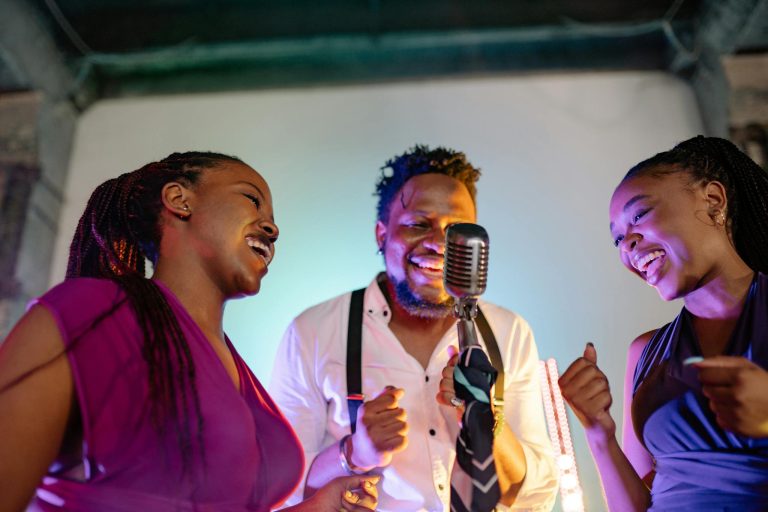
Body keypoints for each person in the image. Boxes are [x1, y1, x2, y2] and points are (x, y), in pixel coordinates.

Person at [0, 152, 378, 512]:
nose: (272, 228)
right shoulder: (91, 313)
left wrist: (318, 506)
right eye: (251, 199)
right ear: (179, 200)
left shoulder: (237, 368)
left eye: (272, 217)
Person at [270, 145, 559, 511]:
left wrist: (487, 424)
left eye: (455, 230)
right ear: (382, 235)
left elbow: (533, 495)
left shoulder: (509, 332)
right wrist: (355, 452)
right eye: (418, 225)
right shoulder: (312, 333)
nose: (438, 243)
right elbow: (282, 491)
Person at [559, 136, 768, 511]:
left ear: (713, 200)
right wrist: (598, 431)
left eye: (639, 215)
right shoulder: (645, 353)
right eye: (617, 239)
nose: (628, 243)